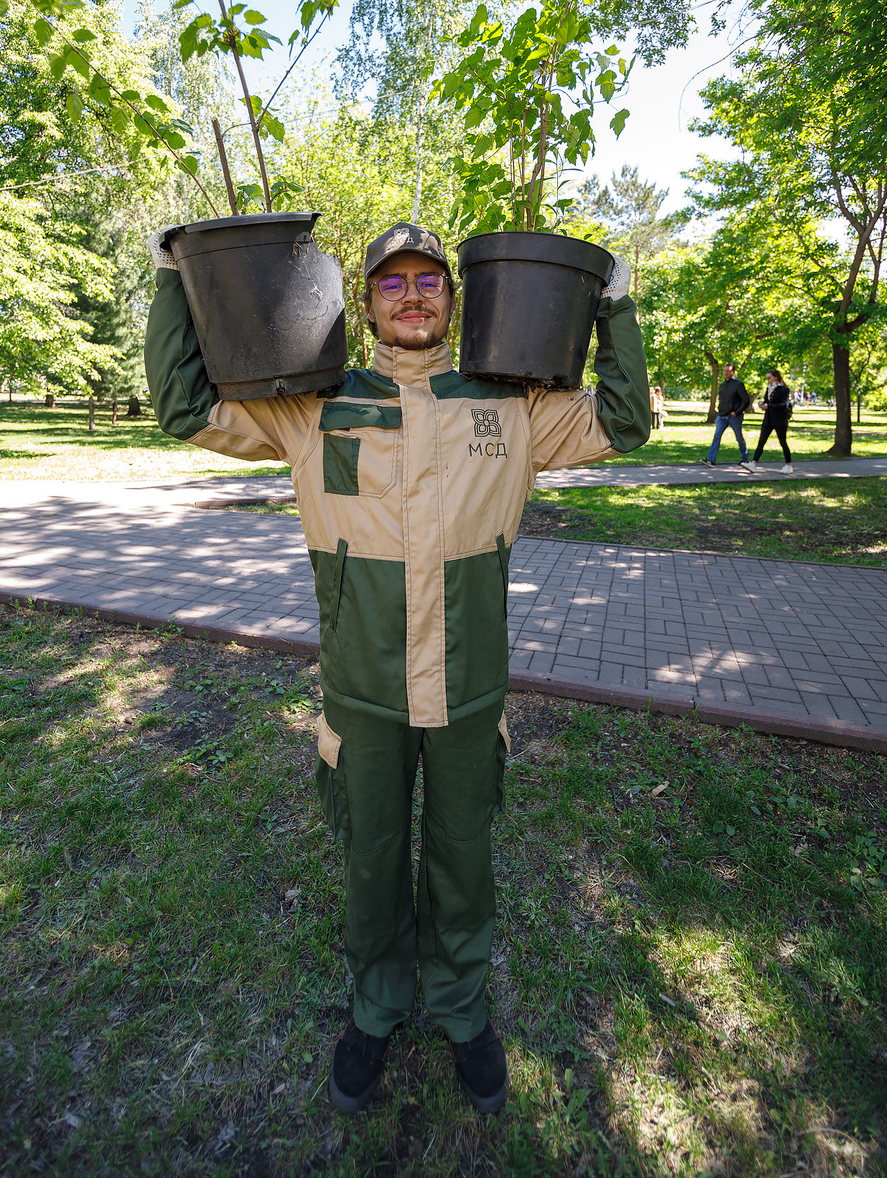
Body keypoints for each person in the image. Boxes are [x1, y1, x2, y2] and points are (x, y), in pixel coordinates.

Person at [143, 222, 650, 1116]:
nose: (411, 297)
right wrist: (171, 281)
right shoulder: (313, 404)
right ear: (364, 305)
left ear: (458, 302)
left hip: (467, 690)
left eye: (430, 283)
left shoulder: (514, 405)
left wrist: (612, 302)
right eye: (391, 285)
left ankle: (461, 1007)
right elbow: (185, 408)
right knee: (374, 859)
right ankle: (375, 1004)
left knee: (462, 860)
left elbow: (624, 420)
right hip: (362, 692)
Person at [701, 362, 755, 470]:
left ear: (733, 372)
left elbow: (745, 400)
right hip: (722, 415)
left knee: (739, 437)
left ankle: (745, 459)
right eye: (724, 371)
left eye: (728, 371)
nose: (726, 373)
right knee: (716, 436)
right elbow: (722, 399)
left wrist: (737, 412)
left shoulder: (738, 384)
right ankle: (711, 460)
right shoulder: (722, 385)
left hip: (734, 416)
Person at [753, 367, 794, 473]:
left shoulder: (783, 389)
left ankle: (788, 464)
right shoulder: (769, 388)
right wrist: (762, 404)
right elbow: (767, 401)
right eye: (767, 378)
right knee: (761, 441)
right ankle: (754, 463)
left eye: (769, 378)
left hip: (780, 419)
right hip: (768, 419)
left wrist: (769, 406)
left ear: (776, 378)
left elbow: (784, 404)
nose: (768, 380)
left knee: (782, 442)